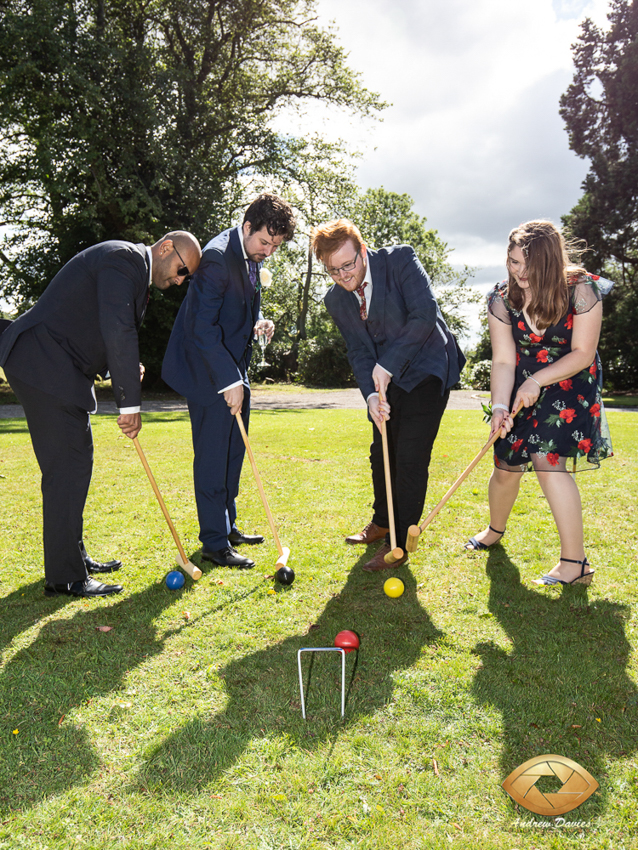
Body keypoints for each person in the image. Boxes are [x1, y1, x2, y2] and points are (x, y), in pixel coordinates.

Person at [0, 231, 202, 597]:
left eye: (186, 277)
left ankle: (73, 558)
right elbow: (117, 327)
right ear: (166, 248)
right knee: (67, 468)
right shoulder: (124, 259)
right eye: (181, 269)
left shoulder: (132, 273)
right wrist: (130, 404)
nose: (179, 280)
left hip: (52, 366)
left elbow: (96, 326)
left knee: (76, 462)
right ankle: (65, 577)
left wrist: (120, 367)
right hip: (42, 363)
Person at [312, 218, 466, 571]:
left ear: (362, 251)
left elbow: (425, 315)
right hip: (384, 380)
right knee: (381, 450)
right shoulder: (337, 299)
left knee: (409, 456)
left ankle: (398, 544)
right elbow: (359, 352)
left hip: (427, 367)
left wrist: (389, 364)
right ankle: (382, 522)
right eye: (333, 270)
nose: (343, 276)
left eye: (348, 265)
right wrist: (369, 395)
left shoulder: (399, 261)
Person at [465, 220, 613, 586]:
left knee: (546, 457)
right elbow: (502, 359)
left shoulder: (581, 290)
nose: (520, 272)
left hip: (569, 380)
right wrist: (500, 406)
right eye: (513, 262)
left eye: (528, 266)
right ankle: (495, 530)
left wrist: (536, 380)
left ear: (550, 262)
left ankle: (575, 564)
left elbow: (582, 352)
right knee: (505, 464)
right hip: (520, 383)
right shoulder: (502, 297)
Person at [162, 194, 295, 569]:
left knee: (234, 451)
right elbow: (201, 328)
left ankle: (227, 525)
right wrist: (227, 380)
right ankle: (214, 544)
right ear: (247, 226)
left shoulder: (245, 253)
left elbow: (233, 305)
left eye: (275, 246)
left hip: (233, 366)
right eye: (264, 242)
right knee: (212, 456)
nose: (268, 251)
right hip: (208, 374)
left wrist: (258, 320)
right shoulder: (218, 257)